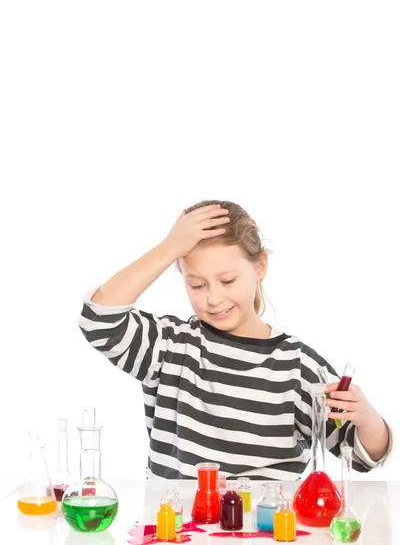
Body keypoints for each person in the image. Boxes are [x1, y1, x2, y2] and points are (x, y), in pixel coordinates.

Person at [78, 200, 391, 480]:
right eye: (197, 284)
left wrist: (365, 416)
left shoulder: (297, 368)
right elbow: (99, 321)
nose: (214, 298)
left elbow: (363, 456)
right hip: (175, 537)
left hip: (265, 536)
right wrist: (169, 248)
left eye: (228, 280)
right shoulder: (169, 346)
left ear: (260, 267)